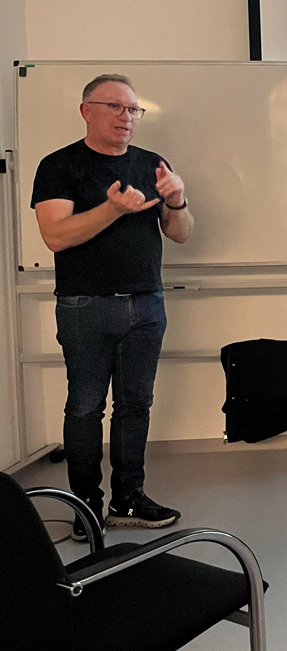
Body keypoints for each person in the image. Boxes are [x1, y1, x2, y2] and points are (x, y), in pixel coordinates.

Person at [31, 74, 194, 539]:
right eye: (115, 107)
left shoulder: (151, 163)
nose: (127, 117)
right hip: (85, 306)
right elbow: (55, 235)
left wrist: (177, 201)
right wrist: (113, 209)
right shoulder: (59, 165)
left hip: (146, 302)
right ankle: (86, 508)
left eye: (133, 109)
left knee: (135, 405)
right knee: (85, 407)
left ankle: (128, 498)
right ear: (87, 111)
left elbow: (180, 233)